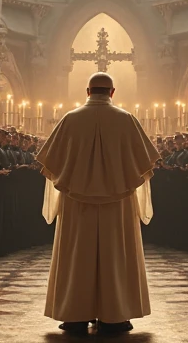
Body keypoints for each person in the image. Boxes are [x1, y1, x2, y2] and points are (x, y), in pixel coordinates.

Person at [38, 72, 160, 335]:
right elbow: (145, 164)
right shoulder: (126, 120)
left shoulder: (70, 119)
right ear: (112, 92)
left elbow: (51, 165)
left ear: (87, 91)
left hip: (76, 202)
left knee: (76, 254)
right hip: (118, 202)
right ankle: (115, 316)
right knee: (116, 254)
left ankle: (74, 316)